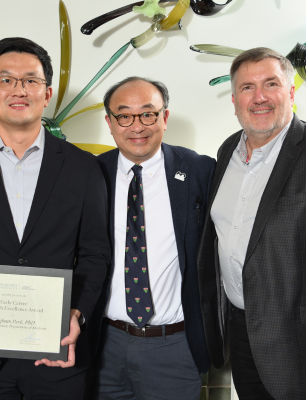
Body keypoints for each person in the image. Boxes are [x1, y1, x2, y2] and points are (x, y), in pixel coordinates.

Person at [0, 37, 110, 400]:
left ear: (47, 92)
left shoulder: (83, 168)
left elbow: (96, 253)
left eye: (31, 80)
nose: (19, 89)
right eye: (6, 79)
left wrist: (77, 314)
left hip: (59, 353)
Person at [197, 47, 306, 400]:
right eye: (247, 87)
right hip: (242, 333)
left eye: (271, 83)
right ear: (235, 100)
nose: (260, 97)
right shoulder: (226, 152)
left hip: (304, 343)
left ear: (290, 92)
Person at [87, 77, 215, 399]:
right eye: (124, 116)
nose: (137, 126)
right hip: (105, 344)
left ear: (165, 118)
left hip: (174, 346)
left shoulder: (200, 171)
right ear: (110, 123)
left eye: (148, 114)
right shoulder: (91, 174)